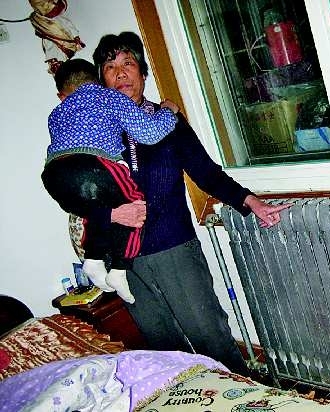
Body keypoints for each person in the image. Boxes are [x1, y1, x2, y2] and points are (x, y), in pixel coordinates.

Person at [90, 31, 290, 376]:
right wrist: (110, 213)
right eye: (110, 67)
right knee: (162, 347)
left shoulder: (168, 123)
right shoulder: (94, 133)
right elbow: (79, 192)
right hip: (122, 260)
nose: (121, 73)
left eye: (128, 63)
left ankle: (243, 393)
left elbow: (206, 172)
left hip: (175, 249)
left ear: (143, 72)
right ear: (102, 81)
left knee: (210, 336)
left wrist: (251, 202)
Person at [41, 58, 180, 304]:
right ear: (97, 82)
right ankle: (119, 270)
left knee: (100, 208)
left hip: (53, 176)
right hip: (92, 165)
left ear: (61, 96)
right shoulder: (110, 97)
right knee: (136, 204)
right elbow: (150, 134)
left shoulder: (55, 114)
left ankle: (93, 260)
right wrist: (169, 112)